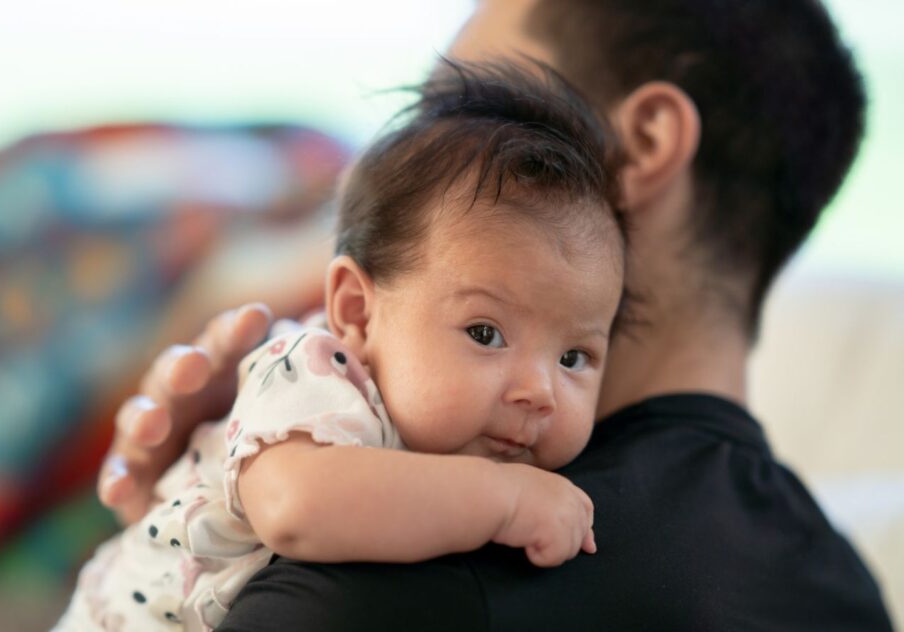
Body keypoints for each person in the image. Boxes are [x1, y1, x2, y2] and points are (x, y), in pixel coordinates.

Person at [98, 1, 895, 629]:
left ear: (642, 142)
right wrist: (178, 523)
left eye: (459, 110)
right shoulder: (842, 589)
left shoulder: (405, 567)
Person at [61, 60, 624, 630]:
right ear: (356, 310)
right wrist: (504, 502)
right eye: (485, 333)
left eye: (573, 357)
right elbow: (294, 508)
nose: (540, 391)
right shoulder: (313, 369)